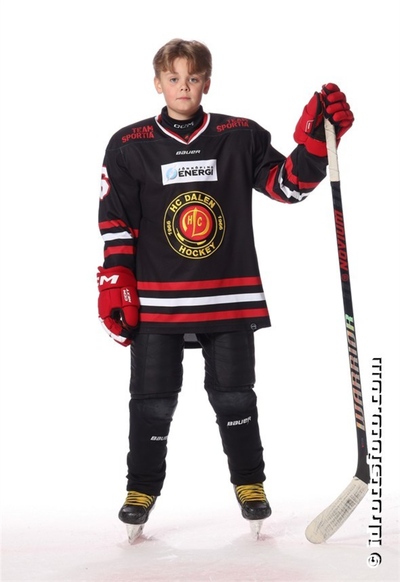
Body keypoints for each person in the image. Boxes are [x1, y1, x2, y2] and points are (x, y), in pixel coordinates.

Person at [97, 38, 354, 539]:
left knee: (235, 397)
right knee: (151, 400)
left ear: (207, 82)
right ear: (157, 83)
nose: (184, 87)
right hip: (158, 297)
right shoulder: (129, 144)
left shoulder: (239, 136)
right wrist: (115, 282)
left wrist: (316, 147)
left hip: (228, 293)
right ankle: (140, 489)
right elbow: (116, 222)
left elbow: (287, 187)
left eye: (193, 78)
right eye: (174, 78)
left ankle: (250, 485)